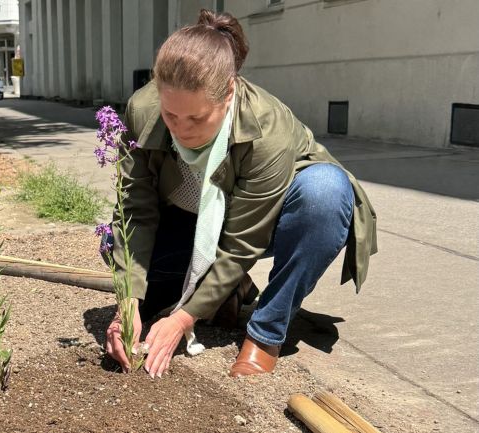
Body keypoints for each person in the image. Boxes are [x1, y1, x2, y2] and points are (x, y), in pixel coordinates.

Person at [103, 10, 377, 379]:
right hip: (190, 220)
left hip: (268, 222)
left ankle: (266, 331)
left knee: (325, 194)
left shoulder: (267, 126)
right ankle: (228, 292)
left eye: (197, 119)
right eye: (171, 116)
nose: (181, 129)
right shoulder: (142, 109)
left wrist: (182, 319)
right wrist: (127, 301)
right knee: (112, 242)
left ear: (228, 92)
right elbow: (135, 209)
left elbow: (242, 242)